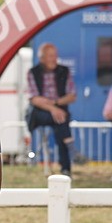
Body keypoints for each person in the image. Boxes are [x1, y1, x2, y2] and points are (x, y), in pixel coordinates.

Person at [26, 43, 77, 177]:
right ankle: (68, 160)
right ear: (42, 58)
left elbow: (72, 95)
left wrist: (55, 103)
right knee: (60, 118)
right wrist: (53, 109)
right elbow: (34, 99)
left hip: (58, 110)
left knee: (60, 121)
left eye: (55, 55)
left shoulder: (64, 71)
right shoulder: (33, 72)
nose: (54, 59)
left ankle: (66, 165)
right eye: (50, 56)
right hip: (39, 113)